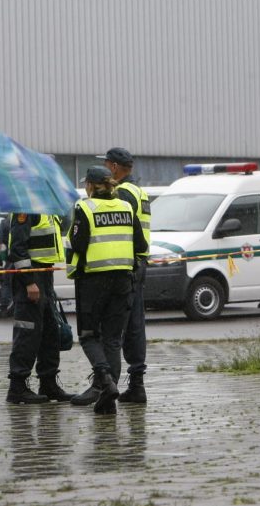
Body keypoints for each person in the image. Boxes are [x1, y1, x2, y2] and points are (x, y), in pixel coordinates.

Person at [67, 165, 147, 414]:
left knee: (89, 335)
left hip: (93, 281)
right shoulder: (126, 207)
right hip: (123, 280)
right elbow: (140, 244)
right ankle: (107, 401)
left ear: (90, 185)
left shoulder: (85, 208)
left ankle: (104, 379)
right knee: (113, 340)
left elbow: (78, 244)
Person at [0, 210, 72, 404]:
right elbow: (17, 249)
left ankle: (48, 384)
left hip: (45, 275)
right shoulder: (26, 210)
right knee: (27, 334)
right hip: (30, 278)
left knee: (49, 333)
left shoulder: (47, 212)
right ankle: (17, 387)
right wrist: (29, 281)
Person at [100, 147, 151, 404]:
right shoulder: (139, 192)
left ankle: (109, 384)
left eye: (107, 165)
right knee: (135, 326)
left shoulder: (121, 194)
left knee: (117, 327)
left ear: (115, 168)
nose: (105, 170)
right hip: (139, 265)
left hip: (126, 267)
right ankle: (137, 384)